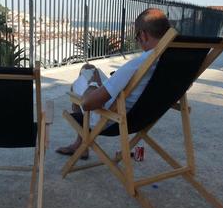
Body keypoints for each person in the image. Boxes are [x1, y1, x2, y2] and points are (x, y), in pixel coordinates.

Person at [56, 8, 170, 159]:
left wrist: (94, 84)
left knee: (84, 77)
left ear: (143, 35)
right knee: (89, 67)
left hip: (109, 117)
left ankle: (81, 144)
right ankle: (81, 145)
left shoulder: (137, 65)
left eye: (137, 37)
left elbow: (87, 104)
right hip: (142, 116)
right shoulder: (170, 63)